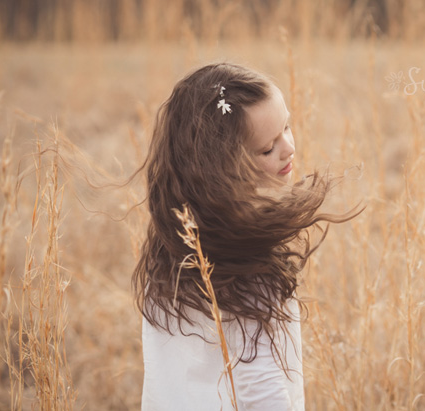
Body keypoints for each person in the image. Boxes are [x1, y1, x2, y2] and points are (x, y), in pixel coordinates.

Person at [134, 63, 359, 410]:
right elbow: (261, 386)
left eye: (287, 126)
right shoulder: (246, 264)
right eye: (267, 149)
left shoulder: (172, 248)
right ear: (221, 168)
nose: (287, 148)